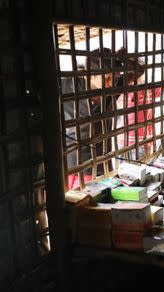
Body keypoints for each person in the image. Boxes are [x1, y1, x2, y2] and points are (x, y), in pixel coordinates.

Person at [62, 47, 123, 189]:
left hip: (101, 164)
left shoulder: (112, 89)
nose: (111, 83)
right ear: (89, 74)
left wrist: (124, 60)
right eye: (106, 78)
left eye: (114, 79)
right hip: (73, 165)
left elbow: (139, 70)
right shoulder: (68, 85)